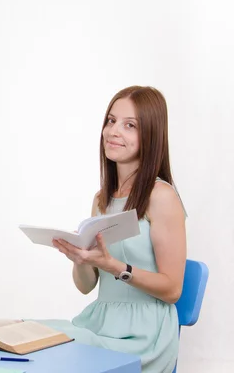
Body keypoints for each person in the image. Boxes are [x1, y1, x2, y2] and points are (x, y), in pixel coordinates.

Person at [40, 86, 187, 373]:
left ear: (151, 136)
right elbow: (85, 287)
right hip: (100, 322)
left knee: (53, 348)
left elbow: (172, 289)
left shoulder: (161, 197)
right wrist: (80, 259)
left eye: (129, 125)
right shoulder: (101, 199)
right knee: (30, 335)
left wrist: (115, 266)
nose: (113, 131)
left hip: (145, 334)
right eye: (111, 121)